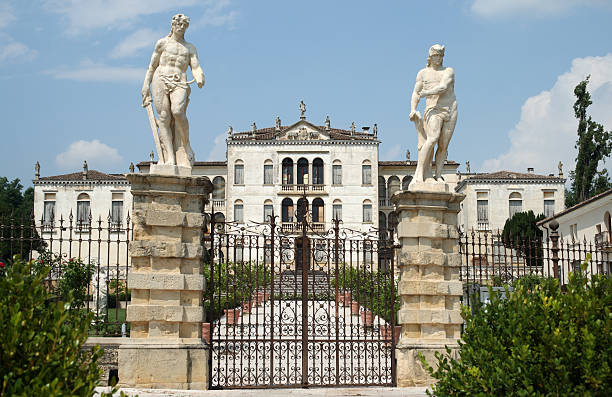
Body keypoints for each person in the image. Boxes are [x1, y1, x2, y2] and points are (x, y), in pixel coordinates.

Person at [141, 14, 205, 168]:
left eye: (184, 25)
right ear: (173, 25)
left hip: (180, 80)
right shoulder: (162, 43)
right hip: (160, 78)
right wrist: (145, 85)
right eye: (178, 24)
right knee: (163, 118)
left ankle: (186, 145)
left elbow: (195, 66)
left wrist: (200, 77)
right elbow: (152, 66)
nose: (181, 27)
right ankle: (170, 157)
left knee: (177, 111)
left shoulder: (189, 48)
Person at [409, 44, 457, 184]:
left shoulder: (448, 71)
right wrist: (413, 109)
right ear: (430, 57)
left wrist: (426, 93)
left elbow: (443, 87)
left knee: (443, 145)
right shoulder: (423, 73)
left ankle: (438, 175)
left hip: (450, 108)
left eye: (441, 56)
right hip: (433, 109)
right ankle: (420, 173)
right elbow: (415, 93)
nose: (439, 59)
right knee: (432, 139)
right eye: (436, 56)